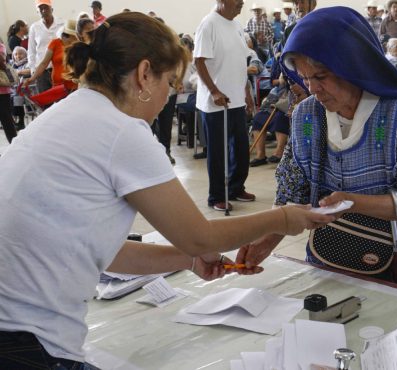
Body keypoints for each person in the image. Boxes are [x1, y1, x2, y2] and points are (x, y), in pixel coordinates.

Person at [0, 13, 334, 369]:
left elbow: (105, 251)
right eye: (170, 82)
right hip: (28, 341)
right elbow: (200, 236)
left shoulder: (68, 113)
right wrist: (284, 218)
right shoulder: (121, 130)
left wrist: (188, 260)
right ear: (144, 74)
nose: (168, 96)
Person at [234, 7, 397, 285]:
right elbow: (292, 189)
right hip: (330, 256)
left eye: (321, 77)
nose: (312, 89)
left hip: (396, 260)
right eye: (305, 78)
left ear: (353, 64)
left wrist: (351, 203)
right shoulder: (306, 117)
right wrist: (267, 239)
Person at [194, 0, 256, 211]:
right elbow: (199, 61)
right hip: (216, 103)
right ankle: (217, 196)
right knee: (219, 152)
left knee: (240, 149)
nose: (241, 2)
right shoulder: (209, 24)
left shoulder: (237, 26)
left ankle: (236, 187)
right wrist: (213, 91)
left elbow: (240, 64)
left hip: (237, 99)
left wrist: (247, 92)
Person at [24, 19, 79, 93]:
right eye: (74, 36)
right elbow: (44, 63)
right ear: (66, 35)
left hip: (74, 86)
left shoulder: (79, 45)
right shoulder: (55, 43)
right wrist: (32, 78)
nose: (76, 38)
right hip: (58, 86)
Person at [27, 0, 64, 94]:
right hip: (42, 72)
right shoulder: (34, 27)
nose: (43, 11)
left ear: (52, 9)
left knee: (63, 100)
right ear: (37, 11)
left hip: (60, 68)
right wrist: (33, 70)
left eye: (46, 8)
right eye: (40, 8)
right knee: (46, 102)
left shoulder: (62, 23)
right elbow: (31, 51)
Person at [0, 41, 19, 144]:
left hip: (2, 93)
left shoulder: (0, 46)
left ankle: (14, 146)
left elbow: (2, 60)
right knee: (7, 122)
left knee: (7, 122)